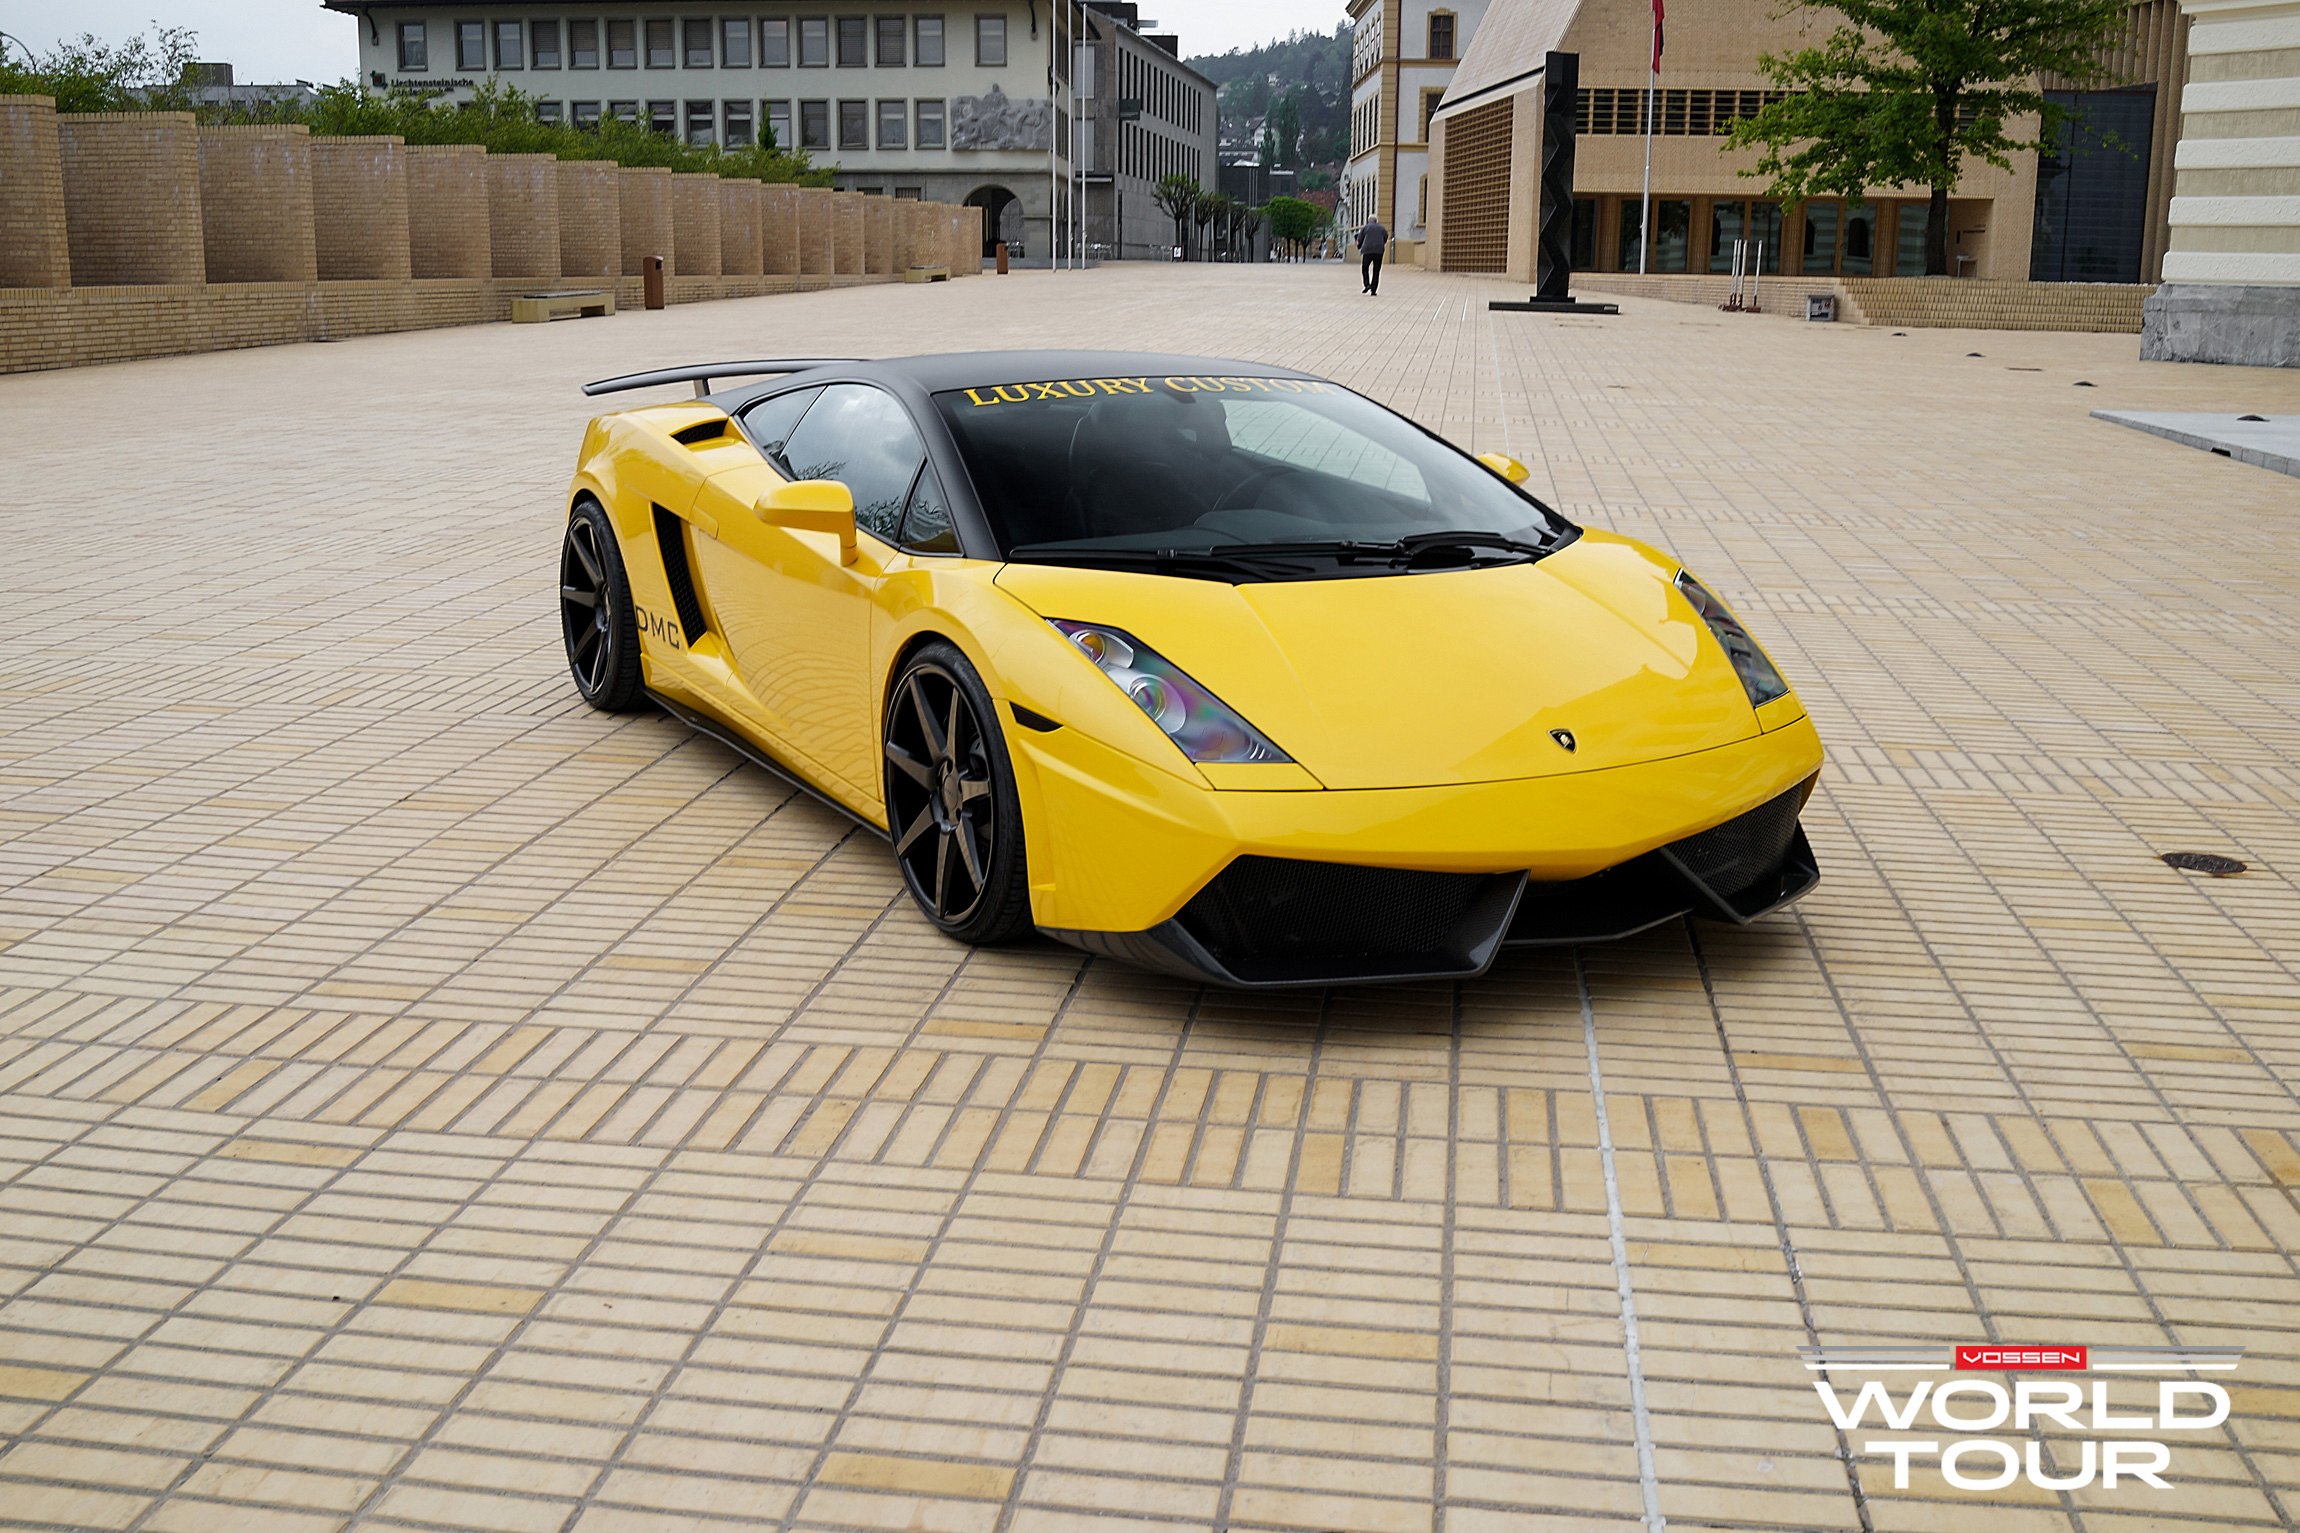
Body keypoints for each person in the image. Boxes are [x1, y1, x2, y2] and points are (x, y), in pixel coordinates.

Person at [1357, 217, 1389, 295]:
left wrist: (1359, 246)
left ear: (1368, 221)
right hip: (1379, 251)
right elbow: (1386, 237)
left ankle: (1367, 284)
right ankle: (1373, 290)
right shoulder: (1382, 228)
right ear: (1376, 221)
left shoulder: (1365, 227)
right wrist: (1381, 243)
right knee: (1376, 270)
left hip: (1367, 250)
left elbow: (1360, 239)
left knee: (1365, 267)